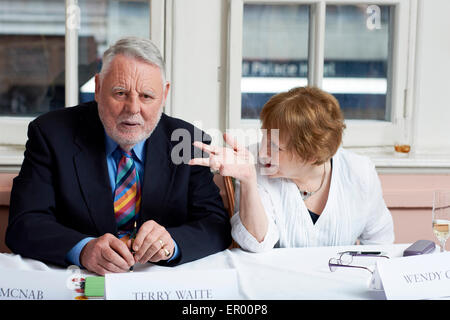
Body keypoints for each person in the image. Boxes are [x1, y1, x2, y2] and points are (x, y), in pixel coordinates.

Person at [6, 37, 231, 274]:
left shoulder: (187, 141)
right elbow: (24, 224)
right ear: (98, 88)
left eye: (146, 96)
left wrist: (172, 244)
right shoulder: (51, 134)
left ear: (164, 95)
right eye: (120, 93)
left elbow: (215, 225)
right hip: (81, 282)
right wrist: (82, 249)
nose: (133, 108)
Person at [190, 86, 394, 252]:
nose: (262, 152)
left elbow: (380, 243)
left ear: (311, 156)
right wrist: (249, 180)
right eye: (264, 138)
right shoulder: (255, 163)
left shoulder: (359, 172)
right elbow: (255, 244)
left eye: (276, 146)